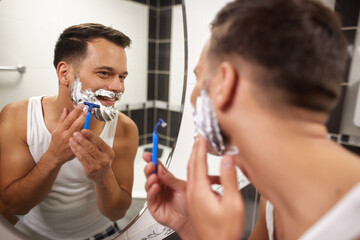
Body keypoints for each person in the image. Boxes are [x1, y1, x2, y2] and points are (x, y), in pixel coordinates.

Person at [143, 0, 360, 239]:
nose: (193, 96)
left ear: (223, 84)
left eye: (197, 77)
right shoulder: (276, 195)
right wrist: (190, 226)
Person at [0, 23, 139, 240]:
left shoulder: (125, 128)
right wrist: (53, 157)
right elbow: (13, 205)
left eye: (122, 77)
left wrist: (103, 177)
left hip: (101, 233)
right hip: (33, 234)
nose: (118, 87)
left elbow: (117, 212)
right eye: (104, 73)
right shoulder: (18, 117)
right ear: (65, 73)